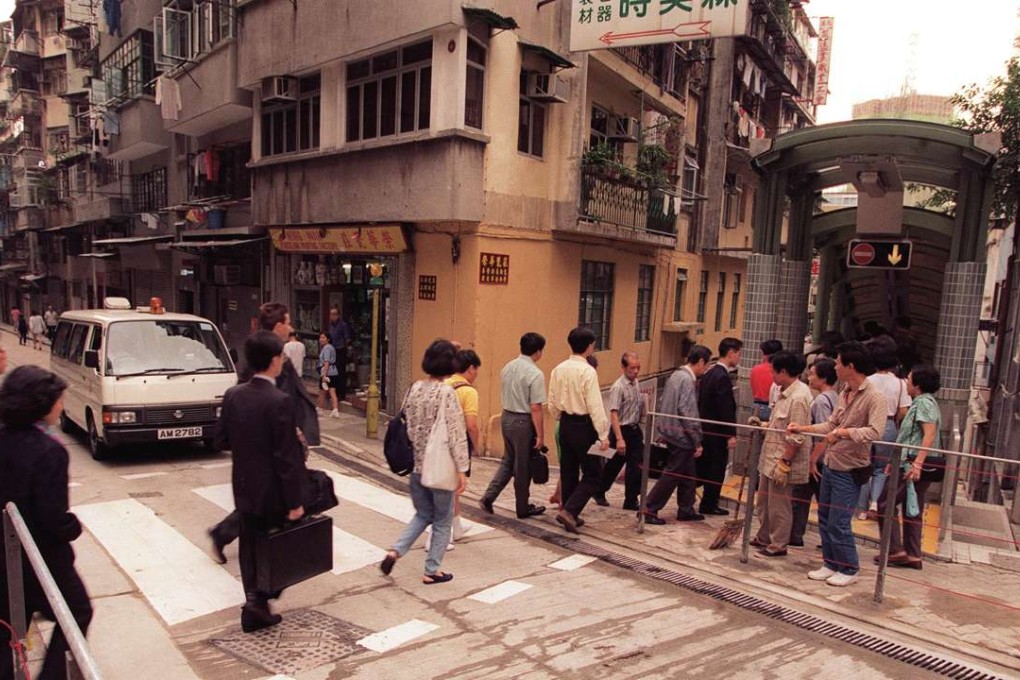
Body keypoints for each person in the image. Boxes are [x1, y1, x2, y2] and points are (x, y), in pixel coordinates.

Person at [208, 301, 320, 564]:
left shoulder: (264, 353)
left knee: (260, 504)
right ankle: (227, 535)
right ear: (279, 325)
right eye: (288, 322)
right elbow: (260, 401)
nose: (291, 327)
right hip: (272, 444)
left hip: (265, 450)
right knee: (270, 501)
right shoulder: (268, 358)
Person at [0, 366, 93, 680]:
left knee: (10, 624)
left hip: (5, 557)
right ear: (42, 404)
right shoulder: (50, 451)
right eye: (58, 399)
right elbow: (53, 518)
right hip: (42, 559)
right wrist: (73, 526)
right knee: (77, 611)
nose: (61, 405)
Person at [214, 332, 308, 632]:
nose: (282, 362)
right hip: (272, 490)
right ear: (273, 361)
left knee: (249, 544)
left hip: (243, 484)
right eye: (281, 357)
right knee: (273, 547)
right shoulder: (279, 401)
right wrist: (295, 502)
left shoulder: (233, 395)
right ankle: (258, 603)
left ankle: (254, 603)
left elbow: (221, 439)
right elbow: (286, 458)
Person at [789, 342, 886, 587]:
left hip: (850, 467)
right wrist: (803, 428)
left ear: (850, 366)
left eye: (839, 363)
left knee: (839, 521)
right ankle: (831, 563)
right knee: (824, 516)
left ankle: (849, 567)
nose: (835, 367)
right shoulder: (844, 392)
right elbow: (831, 425)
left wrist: (844, 433)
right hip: (831, 463)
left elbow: (875, 431)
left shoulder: (874, 396)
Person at [380, 340, 469, 584]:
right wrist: (462, 469)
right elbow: (455, 432)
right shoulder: (447, 393)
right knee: (442, 520)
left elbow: (405, 422)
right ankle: (432, 570)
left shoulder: (414, 388)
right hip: (439, 468)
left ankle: (395, 551)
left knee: (422, 514)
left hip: (416, 465)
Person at [876, 364, 943, 570]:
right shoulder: (924, 402)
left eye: (910, 378)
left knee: (885, 503)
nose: (906, 381)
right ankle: (913, 553)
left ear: (918, 384)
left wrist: (917, 463)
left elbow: (929, 434)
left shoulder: (923, 404)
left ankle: (895, 550)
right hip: (910, 462)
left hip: (910, 464)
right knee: (911, 506)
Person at [640, 345, 711, 525]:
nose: (706, 369)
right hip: (681, 434)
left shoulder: (676, 375)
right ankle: (649, 507)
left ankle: (686, 508)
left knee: (688, 472)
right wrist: (697, 439)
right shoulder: (686, 379)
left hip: (670, 429)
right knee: (672, 473)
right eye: (706, 364)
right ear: (701, 362)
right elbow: (687, 411)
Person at [548, 327, 610, 533]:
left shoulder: (558, 369)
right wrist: (603, 434)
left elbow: (552, 401)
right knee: (593, 474)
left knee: (569, 471)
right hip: (583, 425)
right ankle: (570, 511)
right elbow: (595, 405)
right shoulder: (588, 371)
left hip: (565, 423)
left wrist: (561, 417)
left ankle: (570, 512)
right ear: (589, 346)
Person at [480, 332, 547, 520]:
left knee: (508, 461)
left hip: (506, 416)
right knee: (523, 465)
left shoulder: (508, 367)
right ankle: (522, 507)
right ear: (538, 351)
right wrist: (540, 435)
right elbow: (536, 407)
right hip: (522, 421)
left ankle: (489, 496)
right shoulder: (535, 373)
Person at [751, 351, 812, 557]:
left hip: (782, 459)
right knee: (764, 502)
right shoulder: (782, 391)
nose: (772, 376)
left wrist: (785, 462)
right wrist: (763, 425)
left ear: (784, 372)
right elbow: (780, 424)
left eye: (774, 372)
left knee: (779, 505)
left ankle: (778, 544)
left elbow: (797, 435)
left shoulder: (799, 397)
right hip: (769, 456)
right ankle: (763, 536)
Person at [427, 348, 481, 551]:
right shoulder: (468, 391)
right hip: (456, 443)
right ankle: (435, 538)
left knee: (452, 487)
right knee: (449, 489)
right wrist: (476, 446)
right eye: (476, 370)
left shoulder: (443, 384)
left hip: (436, 442)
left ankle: (456, 527)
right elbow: (471, 425)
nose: (476, 374)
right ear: (471, 368)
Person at [857, 338, 910, 520]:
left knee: (863, 465)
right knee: (881, 469)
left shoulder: (867, 381)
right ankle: (875, 504)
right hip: (888, 425)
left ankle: (861, 509)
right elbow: (903, 411)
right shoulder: (901, 384)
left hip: (866, 424)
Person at [790, 357, 838, 547]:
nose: (809, 378)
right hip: (825, 456)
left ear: (823, 378)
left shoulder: (821, 401)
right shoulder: (836, 396)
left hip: (818, 457)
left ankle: (796, 535)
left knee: (801, 496)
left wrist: (813, 459)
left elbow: (824, 433)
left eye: (812, 374)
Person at [594, 352, 646, 511]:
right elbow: (614, 414)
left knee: (636, 466)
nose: (635, 371)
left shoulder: (635, 383)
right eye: (632, 368)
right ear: (623, 368)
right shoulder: (618, 387)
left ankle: (631, 499)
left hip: (634, 430)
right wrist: (619, 438)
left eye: (638, 368)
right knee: (614, 465)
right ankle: (599, 490)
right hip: (621, 430)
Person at [696, 338, 742, 516]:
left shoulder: (710, 373)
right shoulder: (721, 377)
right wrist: (730, 434)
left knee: (707, 467)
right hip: (717, 432)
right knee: (716, 469)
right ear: (730, 353)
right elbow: (725, 408)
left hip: (706, 429)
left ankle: (706, 502)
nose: (739, 358)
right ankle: (709, 503)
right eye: (738, 354)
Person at [750, 339, 782, 420]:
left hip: (756, 406)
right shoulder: (780, 371)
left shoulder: (755, 369)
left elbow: (753, 389)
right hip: (773, 407)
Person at [327, 307, 352, 401]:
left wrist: (344, 346)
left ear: (338, 315)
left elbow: (347, 338)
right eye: (331, 314)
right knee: (332, 372)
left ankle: (341, 394)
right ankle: (333, 392)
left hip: (340, 350)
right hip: (332, 350)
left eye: (334, 314)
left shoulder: (343, 325)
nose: (332, 316)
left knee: (340, 372)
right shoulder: (330, 326)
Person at [316, 331, 340, 418]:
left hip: (327, 372)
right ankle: (335, 409)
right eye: (320, 337)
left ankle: (319, 408)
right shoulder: (331, 347)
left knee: (322, 392)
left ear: (328, 339)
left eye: (323, 338)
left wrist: (324, 375)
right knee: (332, 391)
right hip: (333, 372)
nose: (321, 339)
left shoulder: (326, 348)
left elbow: (327, 362)